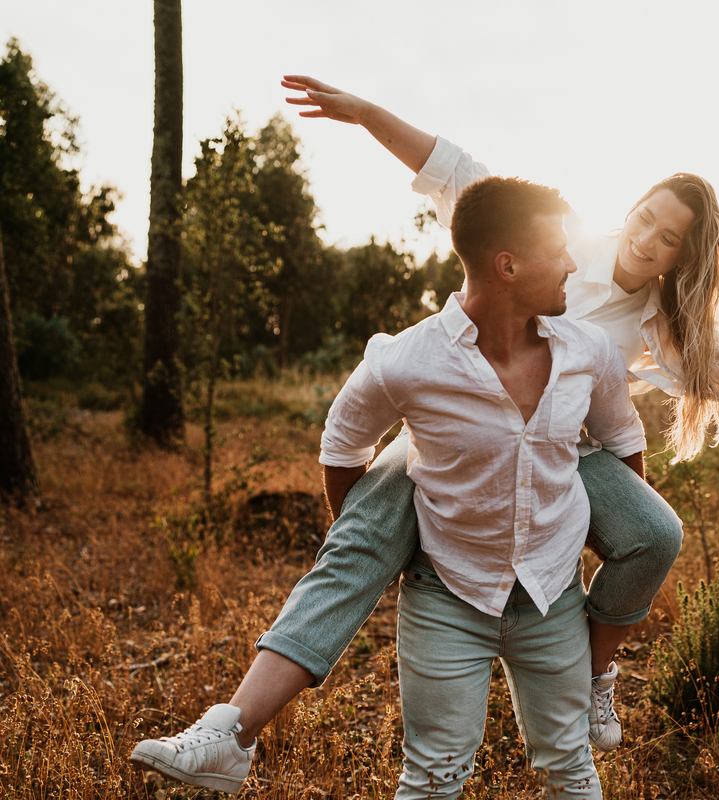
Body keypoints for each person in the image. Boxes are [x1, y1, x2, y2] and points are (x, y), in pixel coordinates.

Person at [129, 75, 719, 793]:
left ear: (685, 255)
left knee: (656, 532)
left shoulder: (660, 324)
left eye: (668, 238)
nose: (646, 241)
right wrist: (365, 114)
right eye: (645, 218)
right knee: (359, 542)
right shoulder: (548, 237)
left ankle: (595, 677)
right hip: (462, 418)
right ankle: (230, 730)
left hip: (568, 448)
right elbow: (451, 167)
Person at [134, 175, 642, 799]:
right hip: (446, 598)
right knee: (432, 780)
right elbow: (342, 443)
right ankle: (229, 735)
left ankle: (230, 730)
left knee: (571, 770)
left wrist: (603, 540)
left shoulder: (588, 352)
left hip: (552, 595)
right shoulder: (407, 361)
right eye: (558, 250)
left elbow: (622, 446)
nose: (572, 263)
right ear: (506, 265)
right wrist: (380, 532)